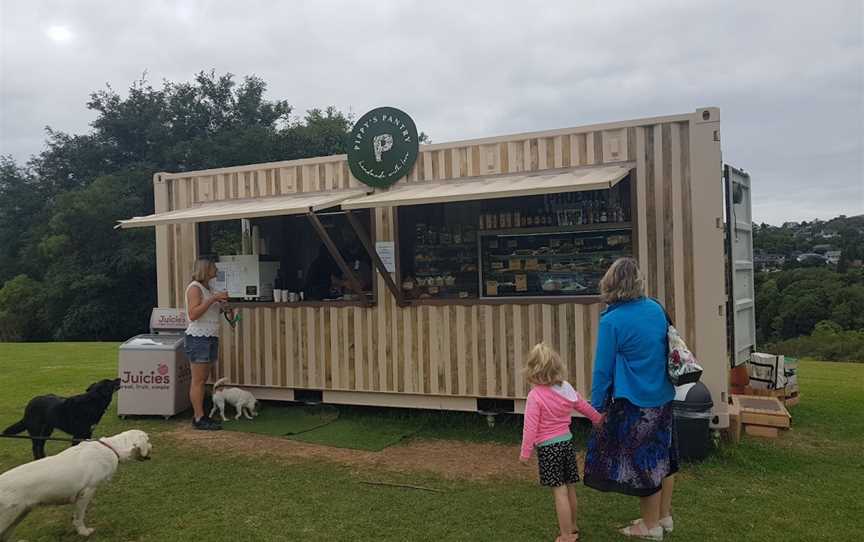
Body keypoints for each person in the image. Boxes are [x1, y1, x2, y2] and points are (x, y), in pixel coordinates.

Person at [583, 257, 677, 541]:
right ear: (637, 281)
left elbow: (602, 370)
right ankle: (663, 516)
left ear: (609, 282)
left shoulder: (612, 320)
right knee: (664, 457)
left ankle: (649, 528)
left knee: (643, 463)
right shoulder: (656, 308)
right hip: (663, 394)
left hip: (635, 400)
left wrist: (596, 409)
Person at [519, 343, 604, 542]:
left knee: (559, 492)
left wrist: (525, 453)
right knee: (569, 487)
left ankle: (566, 536)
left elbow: (530, 427)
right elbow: (583, 406)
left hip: (549, 449)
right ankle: (573, 526)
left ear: (533, 371)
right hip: (566, 444)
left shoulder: (535, 396)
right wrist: (598, 419)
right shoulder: (565, 388)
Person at [184, 258, 231, 431]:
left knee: (203, 379)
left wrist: (223, 306)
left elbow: (209, 312)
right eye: (213, 267)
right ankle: (198, 417)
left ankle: (202, 414)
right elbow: (193, 314)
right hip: (198, 337)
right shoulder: (195, 288)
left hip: (210, 336)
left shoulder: (208, 288)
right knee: (198, 380)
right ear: (205, 269)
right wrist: (213, 300)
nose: (216, 269)